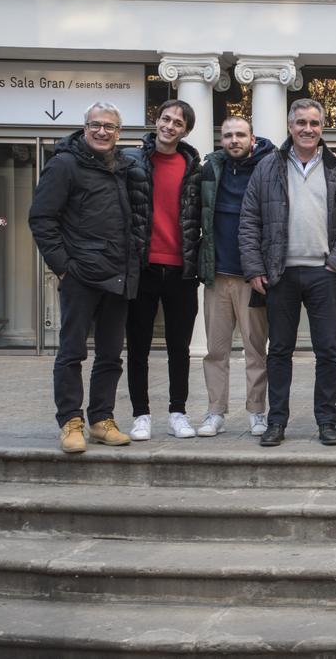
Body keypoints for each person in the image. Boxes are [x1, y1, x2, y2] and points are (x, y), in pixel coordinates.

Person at [239, 98, 336, 447]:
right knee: (279, 351)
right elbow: (249, 220)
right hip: (281, 274)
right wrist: (254, 269)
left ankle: (326, 420)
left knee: (328, 351)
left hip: (325, 274)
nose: (307, 129)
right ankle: (276, 421)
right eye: (300, 123)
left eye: (314, 123)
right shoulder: (268, 167)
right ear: (290, 126)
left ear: (322, 128)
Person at [29, 101, 137, 453]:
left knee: (110, 355)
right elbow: (42, 219)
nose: (102, 131)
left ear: (119, 132)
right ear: (85, 127)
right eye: (96, 125)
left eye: (110, 126)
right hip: (81, 276)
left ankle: (101, 420)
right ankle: (70, 422)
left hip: (118, 276)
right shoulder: (64, 165)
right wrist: (64, 267)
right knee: (72, 352)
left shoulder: (123, 167)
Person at [123, 99, 203, 440]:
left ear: (186, 130)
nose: (170, 126)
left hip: (181, 271)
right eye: (165, 118)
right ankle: (141, 414)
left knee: (178, 347)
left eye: (178, 122)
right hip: (143, 268)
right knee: (138, 347)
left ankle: (177, 411)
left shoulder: (194, 168)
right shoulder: (132, 162)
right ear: (156, 121)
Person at [195, 116, 274, 437]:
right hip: (218, 275)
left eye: (240, 134)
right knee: (216, 350)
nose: (233, 140)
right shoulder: (212, 169)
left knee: (256, 350)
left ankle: (257, 411)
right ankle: (215, 412)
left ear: (252, 138)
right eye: (227, 135)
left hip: (253, 277)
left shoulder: (268, 168)